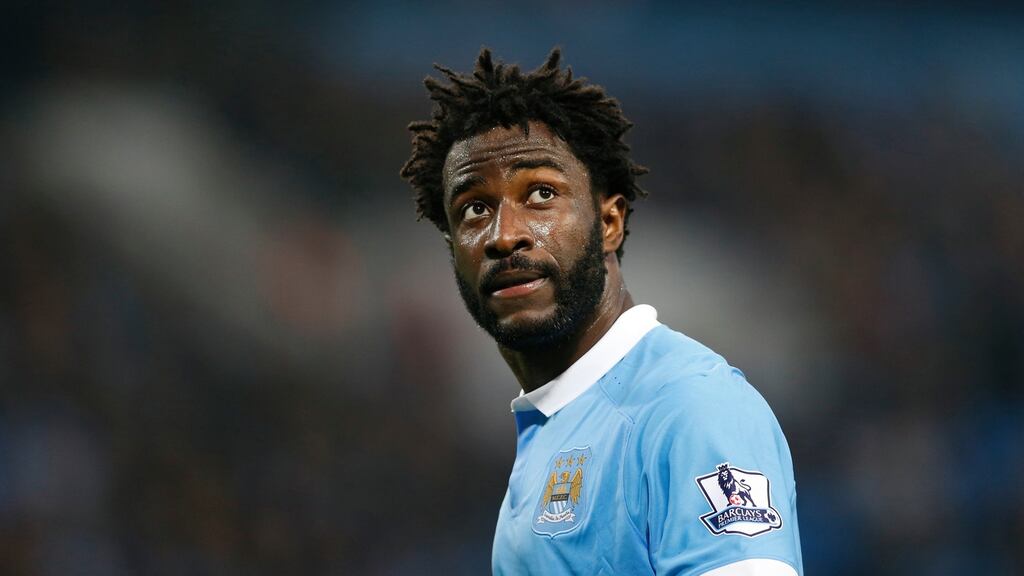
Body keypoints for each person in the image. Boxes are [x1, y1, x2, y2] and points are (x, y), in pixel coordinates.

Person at [401, 48, 803, 576]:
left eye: (541, 193)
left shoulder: (690, 408)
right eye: (475, 208)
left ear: (609, 222)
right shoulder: (556, 427)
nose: (504, 235)